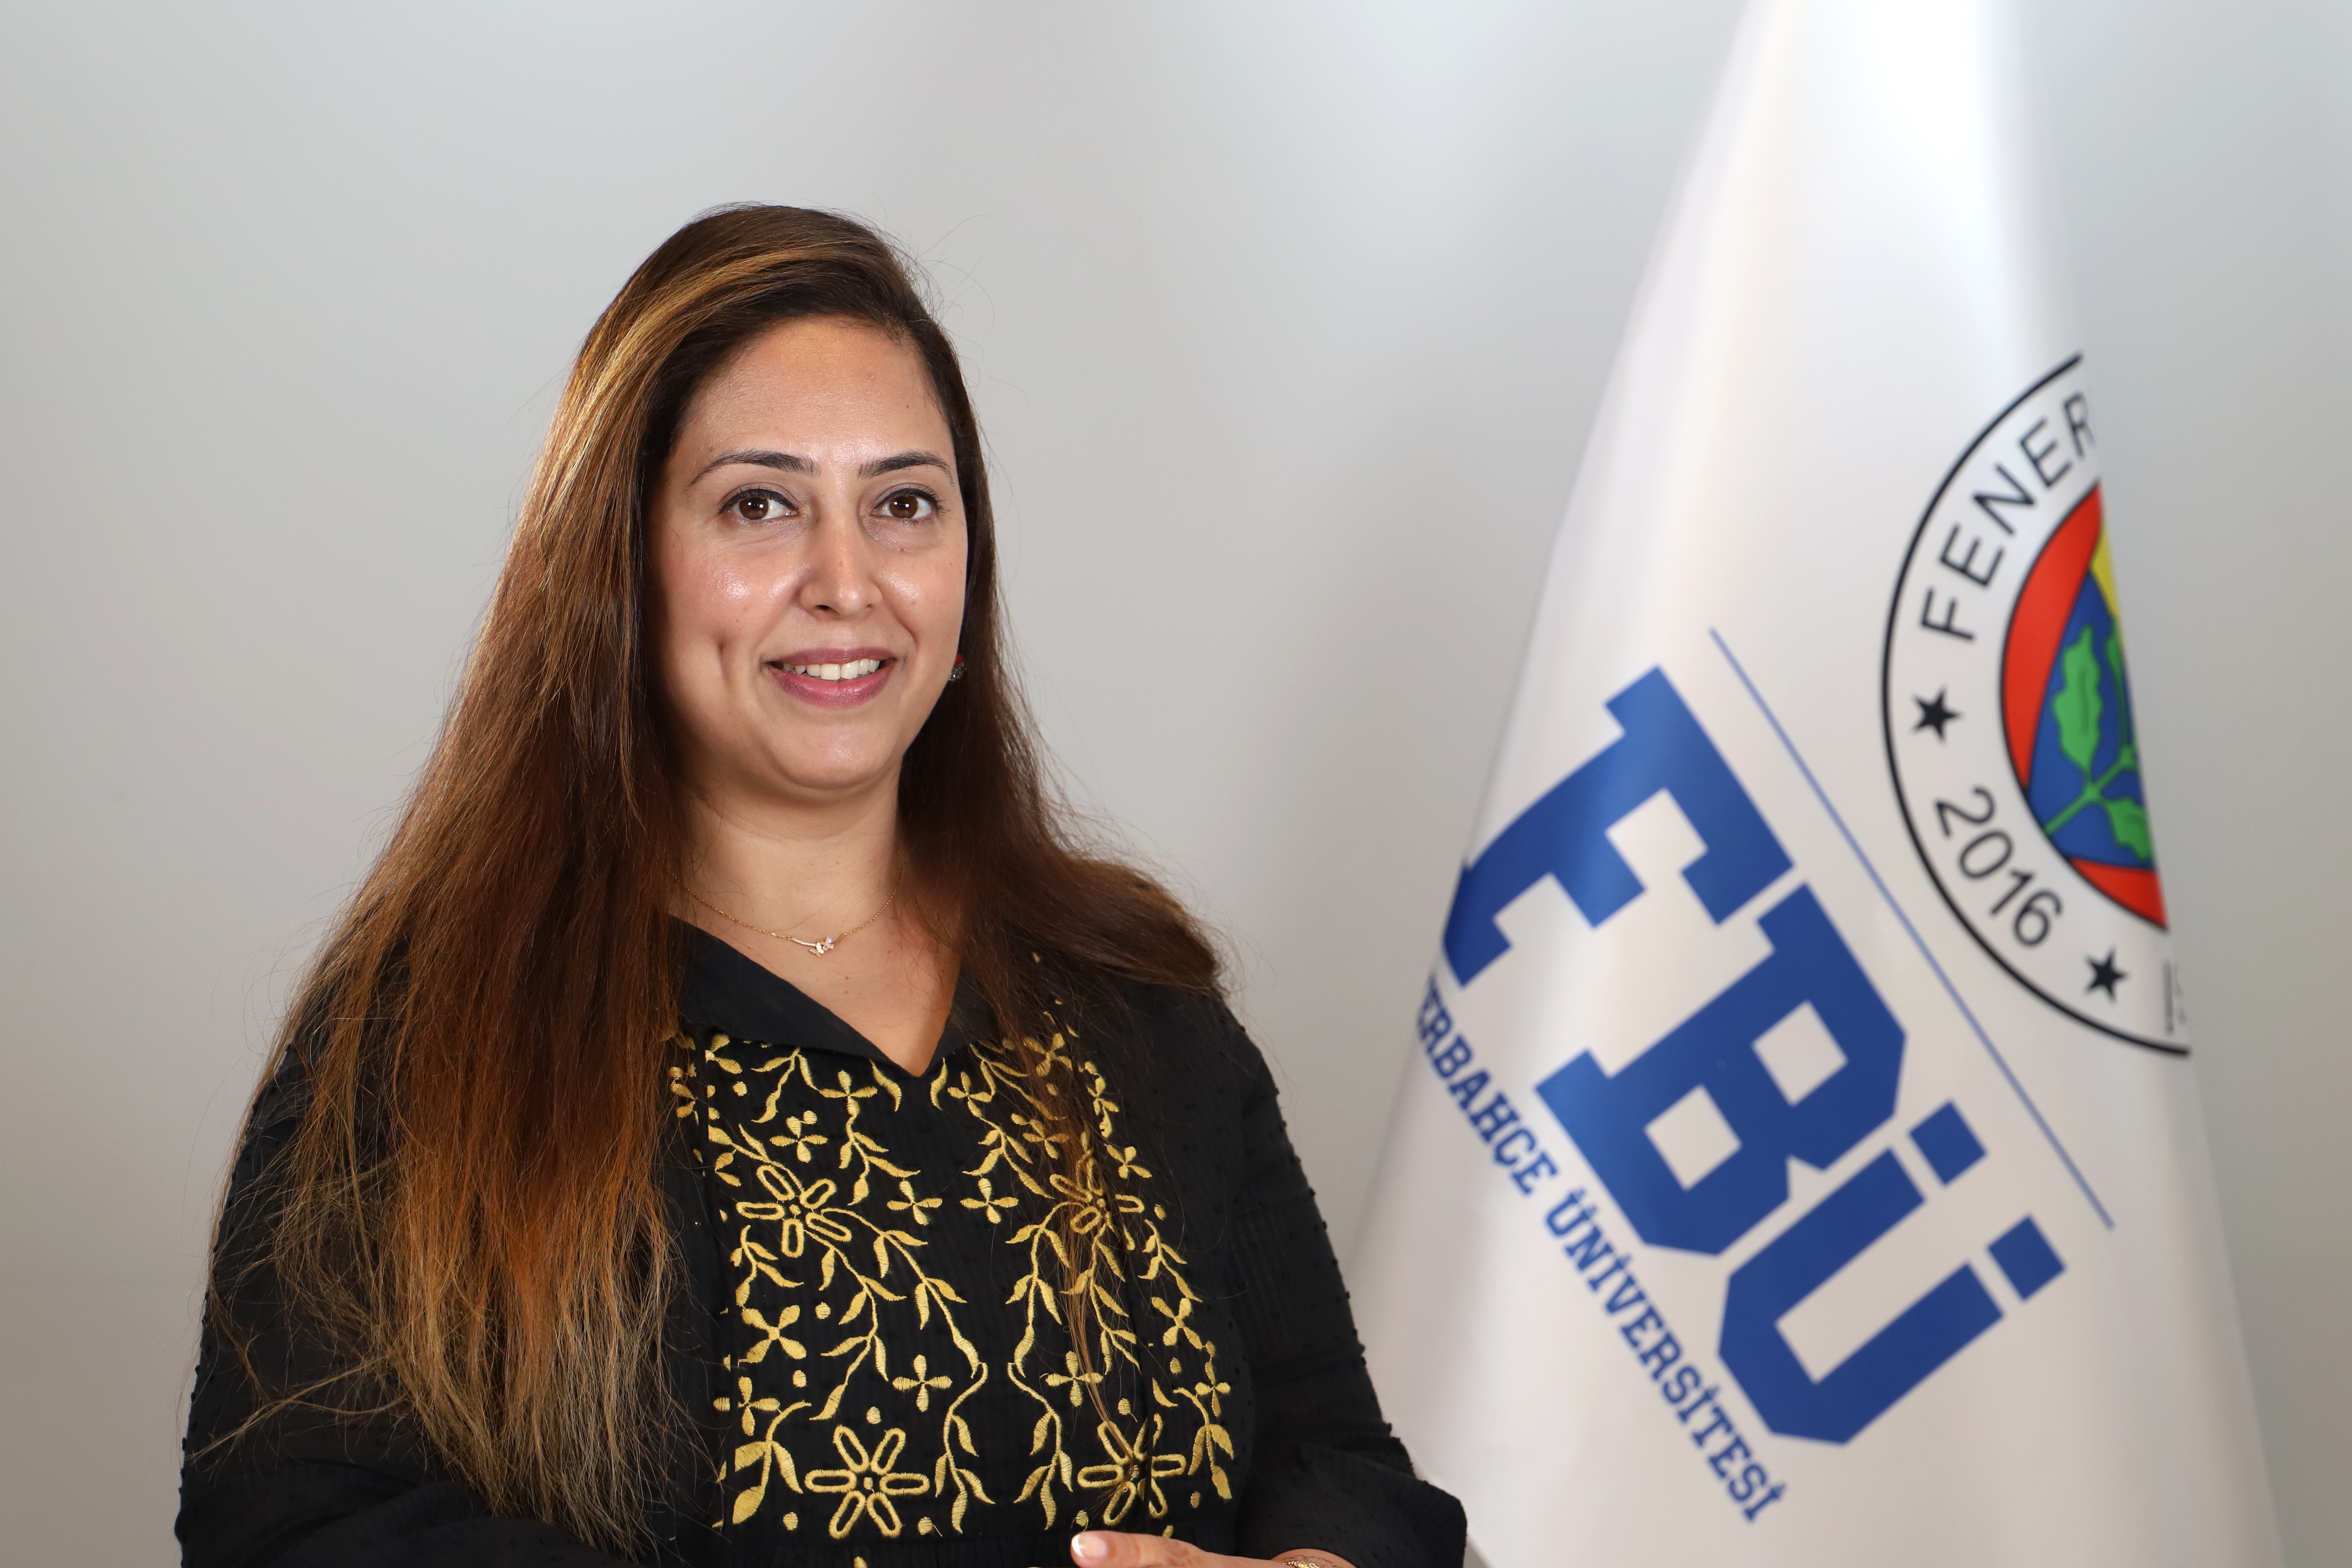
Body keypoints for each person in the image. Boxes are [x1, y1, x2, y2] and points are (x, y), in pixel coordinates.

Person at [178, 204, 1466, 1568]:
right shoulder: (433, 1035)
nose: (848, 584)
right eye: (760, 505)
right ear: (619, 567)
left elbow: (1343, 1462)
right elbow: (290, 1531)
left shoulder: (1141, 1003)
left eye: (904, 505)